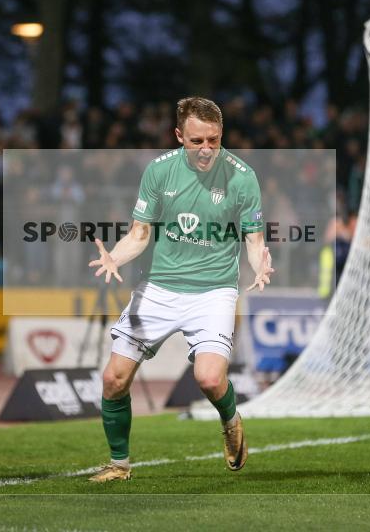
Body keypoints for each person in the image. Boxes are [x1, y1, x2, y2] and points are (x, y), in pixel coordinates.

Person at [87, 97, 273, 482]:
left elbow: (254, 240)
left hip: (214, 291)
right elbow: (139, 235)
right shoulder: (159, 171)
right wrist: (115, 258)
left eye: (213, 140)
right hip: (158, 287)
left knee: (209, 379)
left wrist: (260, 265)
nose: (206, 149)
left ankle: (230, 419)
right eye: (196, 141)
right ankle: (119, 464)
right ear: (178, 136)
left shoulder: (242, 177)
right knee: (113, 379)